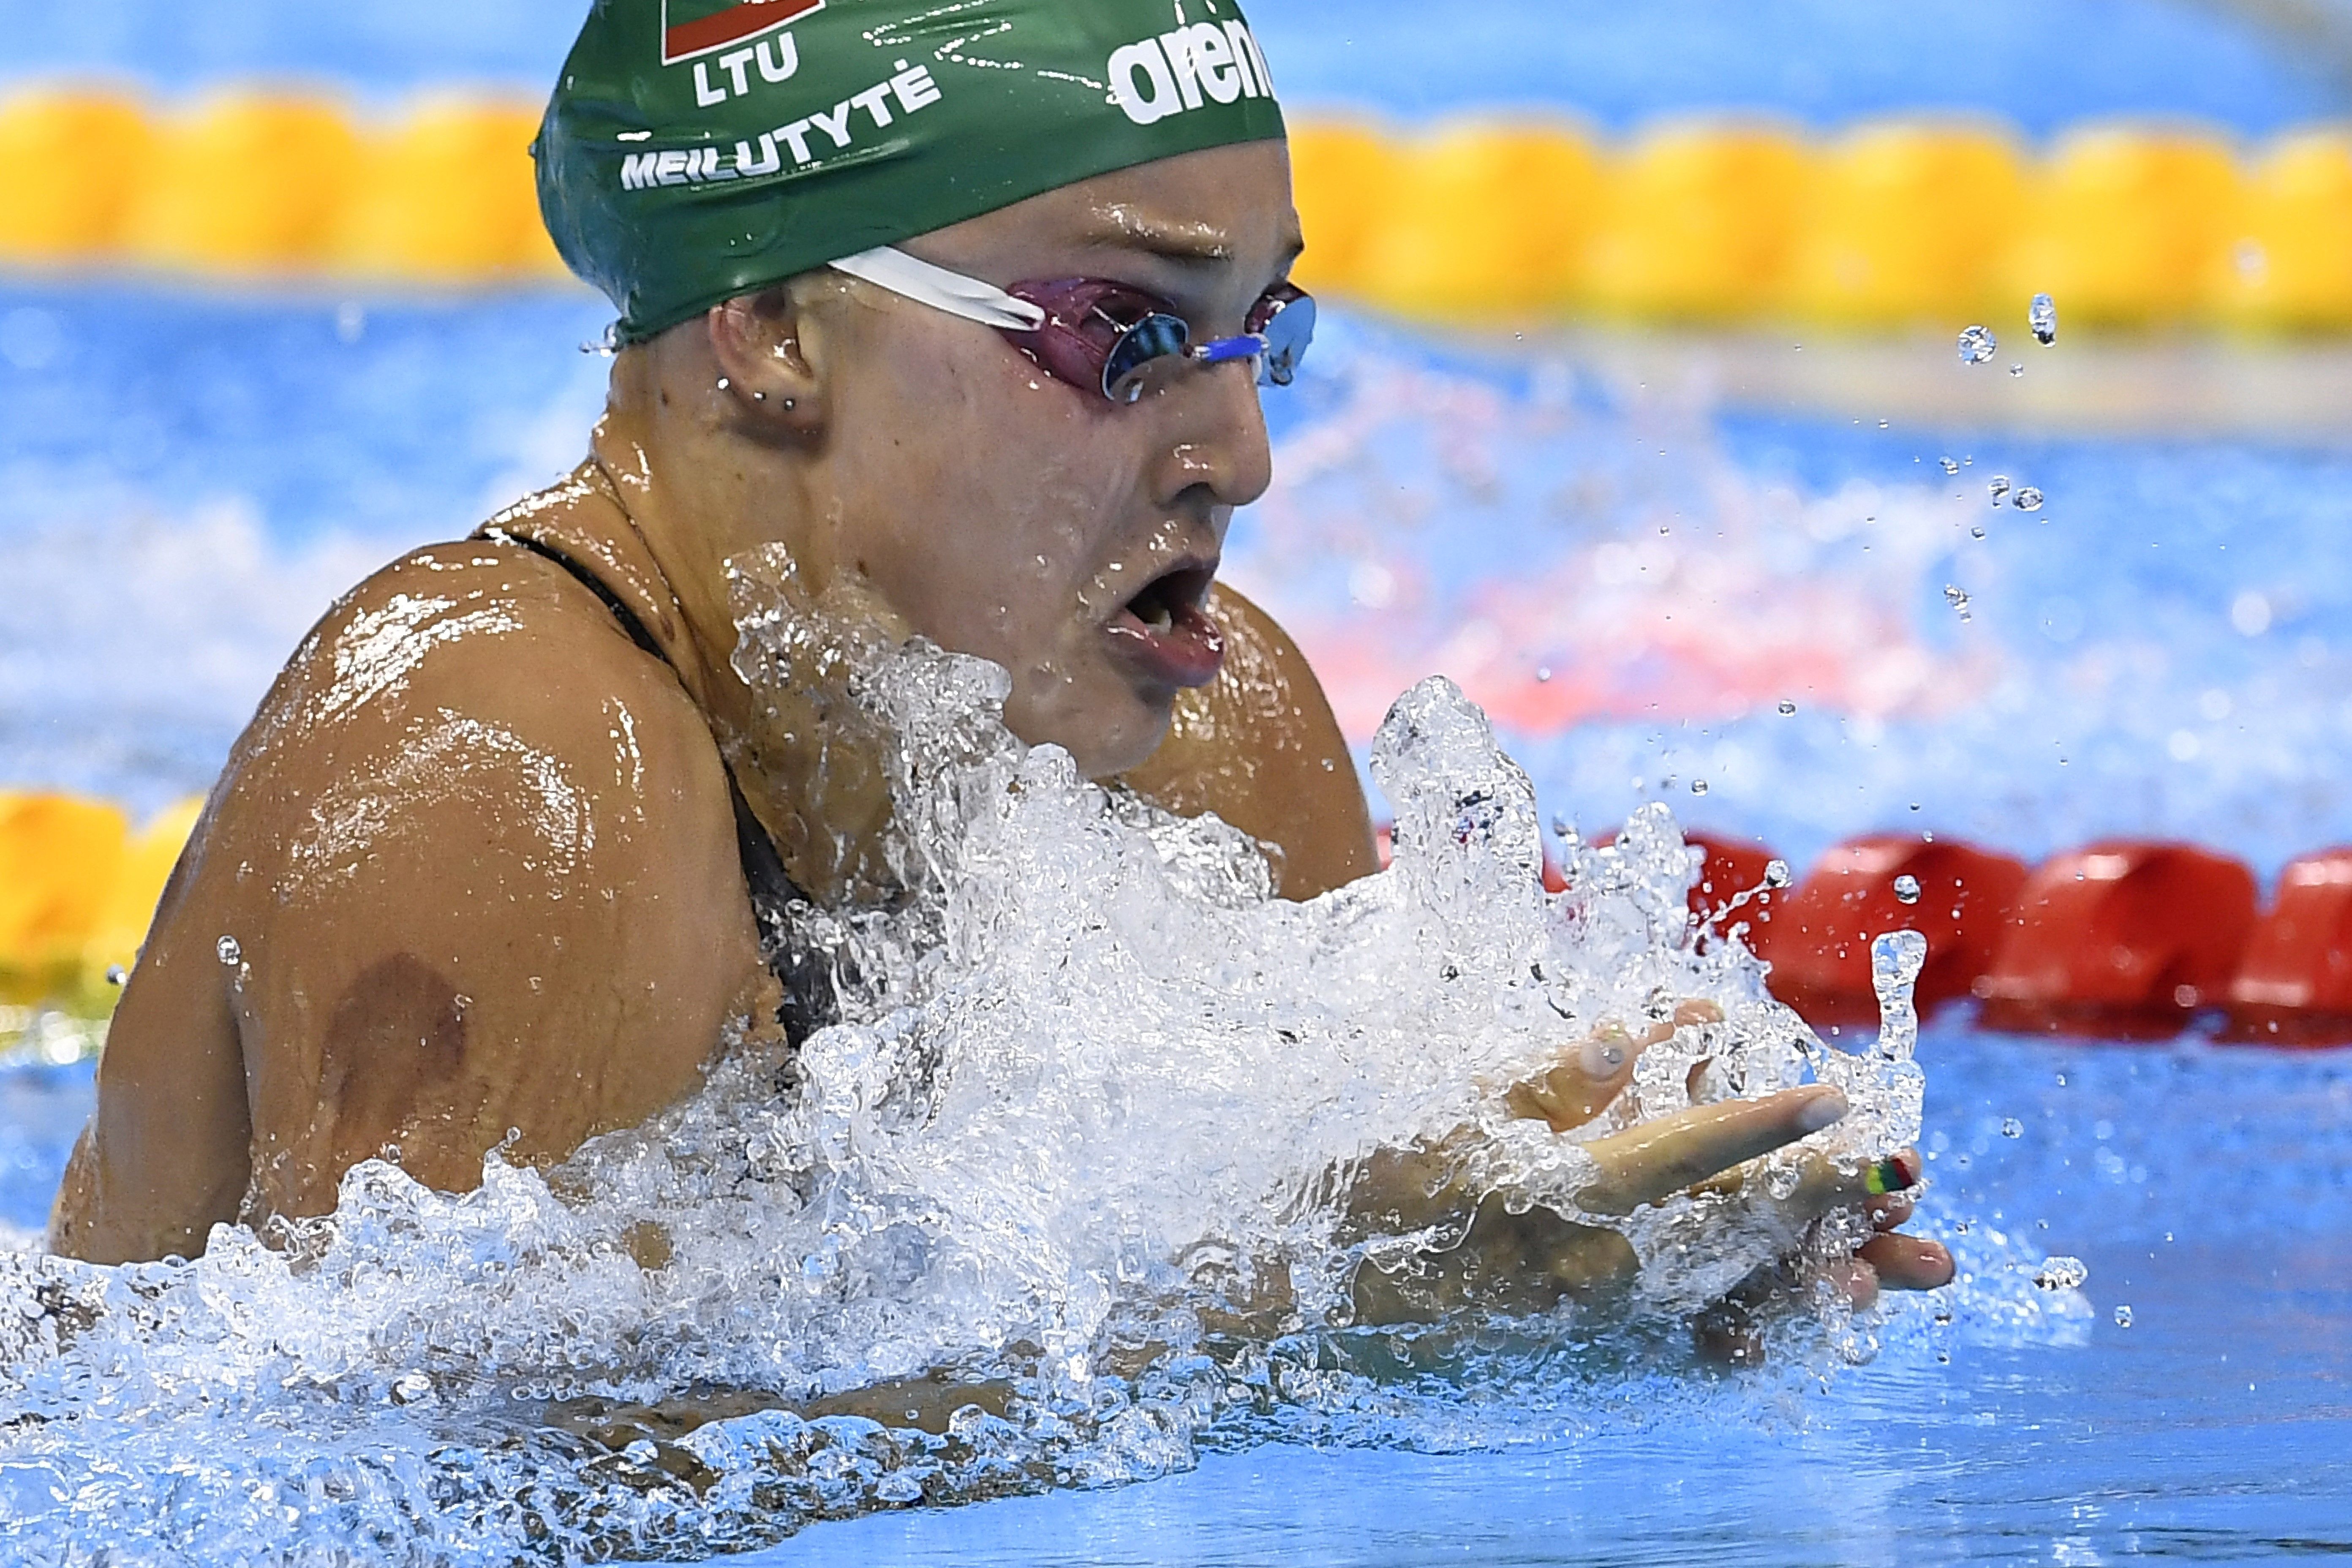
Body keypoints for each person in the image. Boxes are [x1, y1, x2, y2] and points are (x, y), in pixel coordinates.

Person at [47, 0, 1950, 1331]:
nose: (1242, 452)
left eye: (1256, 331)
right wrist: (1335, 1308)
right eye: (1127, 333)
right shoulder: (514, 759)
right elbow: (431, 1493)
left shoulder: (1200, 732)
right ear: (779, 330)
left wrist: (1640, 1254)